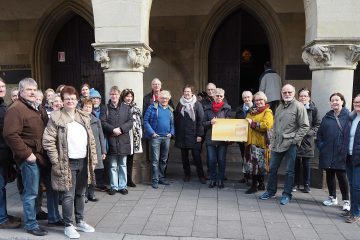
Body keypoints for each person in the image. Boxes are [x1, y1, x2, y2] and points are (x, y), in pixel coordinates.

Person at [42, 85, 97, 239]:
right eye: (67, 99)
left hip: (83, 160)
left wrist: (93, 159)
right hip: (67, 163)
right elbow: (48, 141)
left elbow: (91, 140)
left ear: (77, 99)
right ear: (63, 100)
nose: (70, 101)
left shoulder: (83, 116)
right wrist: (56, 161)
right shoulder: (56, 117)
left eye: (73, 98)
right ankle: (68, 224)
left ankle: (79, 221)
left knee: (81, 193)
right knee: (68, 195)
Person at [3, 78, 49, 236]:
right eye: (29, 89)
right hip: (29, 158)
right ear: (21, 91)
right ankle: (31, 224)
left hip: (40, 156)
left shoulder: (37, 107)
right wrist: (27, 154)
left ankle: (36, 214)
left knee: (37, 190)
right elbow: (10, 134)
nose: (32, 92)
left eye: (34, 89)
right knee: (30, 193)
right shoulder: (16, 108)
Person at [259, 84, 309, 205]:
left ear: (294, 93)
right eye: (284, 92)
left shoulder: (299, 106)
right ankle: (270, 191)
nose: (287, 94)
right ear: (281, 93)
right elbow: (275, 126)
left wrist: (295, 141)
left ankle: (287, 194)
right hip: (277, 143)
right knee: (272, 169)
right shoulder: (280, 107)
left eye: (289, 92)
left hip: (291, 143)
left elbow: (305, 126)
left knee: (289, 171)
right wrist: (272, 141)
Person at [317, 92, 350, 211]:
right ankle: (332, 197)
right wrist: (321, 145)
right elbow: (320, 133)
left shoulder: (349, 116)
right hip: (327, 151)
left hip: (341, 152)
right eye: (332, 100)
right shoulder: (327, 117)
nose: (334, 102)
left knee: (341, 176)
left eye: (337, 100)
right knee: (329, 174)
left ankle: (346, 200)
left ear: (342, 101)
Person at [100, 86, 133, 195]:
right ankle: (114, 186)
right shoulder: (105, 108)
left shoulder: (126, 107)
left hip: (123, 140)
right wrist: (112, 129)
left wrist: (121, 129)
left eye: (116, 94)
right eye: (112, 94)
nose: (114, 96)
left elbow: (130, 122)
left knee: (123, 164)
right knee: (113, 165)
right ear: (110, 95)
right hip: (111, 140)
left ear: (119, 95)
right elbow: (102, 122)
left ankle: (122, 186)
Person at [0, 78, 22, 229]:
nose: (1, 88)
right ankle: (2, 219)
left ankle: (3, 214)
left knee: (2, 187)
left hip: (3, 155)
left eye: (2, 85)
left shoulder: (3, 104)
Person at [174, 85, 206, 184]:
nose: (187, 93)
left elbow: (201, 120)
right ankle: (187, 174)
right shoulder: (180, 104)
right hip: (182, 135)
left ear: (192, 93)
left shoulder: (197, 104)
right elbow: (176, 118)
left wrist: (200, 135)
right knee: (184, 157)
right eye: (185, 91)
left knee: (196, 157)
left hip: (194, 135)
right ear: (183, 92)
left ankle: (201, 175)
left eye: (188, 91)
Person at [243, 91, 273, 194]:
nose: (259, 102)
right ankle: (260, 184)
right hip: (250, 141)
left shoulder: (267, 112)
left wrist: (253, 123)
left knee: (257, 165)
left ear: (264, 100)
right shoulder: (251, 111)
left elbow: (267, 125)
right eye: (257, 100)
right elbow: (244, 124)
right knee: (254, 165)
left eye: (261, 100)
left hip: (260, 142)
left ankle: (254, 186)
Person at [144, 90, 175, 189]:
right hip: (155, 137)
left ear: (169, 99)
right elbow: (145, 121)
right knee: (155, 160)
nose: (164, 100)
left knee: (164, 159)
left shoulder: (170, 109)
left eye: (166, 98)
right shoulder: (152, 107)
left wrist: (172, 133)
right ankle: (155, 179)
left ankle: (161, 177)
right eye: (162, 98)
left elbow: (172, 124)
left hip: (167, 137)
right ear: (158, 98)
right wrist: (152, 133)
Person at [203, 88, 232, 188]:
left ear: (223, 97)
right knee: (211, 160)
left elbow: (230, 123)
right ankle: (213, 179)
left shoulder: (227, 108)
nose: (218, 97)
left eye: (220, 96)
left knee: (221, 160)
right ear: (213, 96)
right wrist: (210, 122)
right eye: (217, 95)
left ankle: (220, 179)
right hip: (210, 138)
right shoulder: (207, 108)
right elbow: (203, 123)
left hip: (222, 138)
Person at [293, 88, 320, 193]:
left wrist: (309, 133)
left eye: (305, 96)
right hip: (295, 140)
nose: (303, 98)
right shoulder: (294, 108)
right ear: (298, 97)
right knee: (295, 164)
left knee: (306, 164)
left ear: (309, 97)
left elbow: (317, 125)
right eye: (301, 96)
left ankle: (306, 185)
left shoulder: (314, 110)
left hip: (307, 141)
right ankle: (295, 184)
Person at [82, 99, 106, 202]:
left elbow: (101, 136)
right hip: (83, 150)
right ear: (82, 107)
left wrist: (103, 151)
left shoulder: (96, 120)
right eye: (86, 106)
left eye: (89, 107)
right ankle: (83, 195)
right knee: (84, 173)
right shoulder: (78, 120)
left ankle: (91, 194)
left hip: (95, 150)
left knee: (93, 172)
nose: (87, 108)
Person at [120, 89, 143, 188]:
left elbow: (139, 121)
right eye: (127, 96)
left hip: (134, 136)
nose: (129, 98)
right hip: (124, 134)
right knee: (122, 160)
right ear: (123, 97)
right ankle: (122, 180)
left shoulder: (136, 108)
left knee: (130, 159)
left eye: (130, 96)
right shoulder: (120, 107)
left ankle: (129, 179)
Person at [344, 94, 360, 223]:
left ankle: (356, 213)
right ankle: (353, 210)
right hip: (349, 157)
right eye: (355, 102)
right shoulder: (352, 117)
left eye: (359, 102)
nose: (357, 104)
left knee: (356, 186)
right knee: (352, 185)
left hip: (358, 159)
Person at [235, 91, 254, 185]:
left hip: (253, 137)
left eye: (248, 97)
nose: (247, 99)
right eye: (245, 98)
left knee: (251, 157)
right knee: (244, 157)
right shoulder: (239, 109)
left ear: (252, 97)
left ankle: (251, 177)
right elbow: (235, 123)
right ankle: (245, 176)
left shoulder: (256, 108)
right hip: (242, 137)